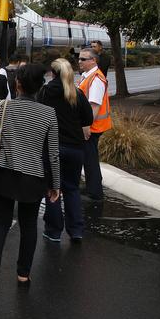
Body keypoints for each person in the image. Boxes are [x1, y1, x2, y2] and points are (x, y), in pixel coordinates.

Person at [0, 64, 60, 294]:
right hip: (33, 178)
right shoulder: (49, 114)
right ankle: (23, 274)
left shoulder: (2, 107)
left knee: (0, 223)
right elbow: (53, 154)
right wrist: (55, 184)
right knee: (29, 226)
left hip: (2, 174)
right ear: (40, 87)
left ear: (17, 84)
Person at [37, 58, 94, 243]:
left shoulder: (45, 92)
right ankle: (76, 230)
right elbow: (88, 119)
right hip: (75, 148)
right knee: (72, 189)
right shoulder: (76, 93)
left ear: (52, 73)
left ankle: (54, 231)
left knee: (53, 188)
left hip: (53, 148)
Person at [77, 48, 112, 201]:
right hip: (92, 126)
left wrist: (86, 127)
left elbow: (94, 106)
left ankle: (95, 192)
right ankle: (92, 187)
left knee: (90, 159)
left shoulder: (96, 79)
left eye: (83, 59)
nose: (79, 61)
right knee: (89, 158)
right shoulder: (88, 76)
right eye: (79, 58)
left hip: (93, 127)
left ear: (93, 61)